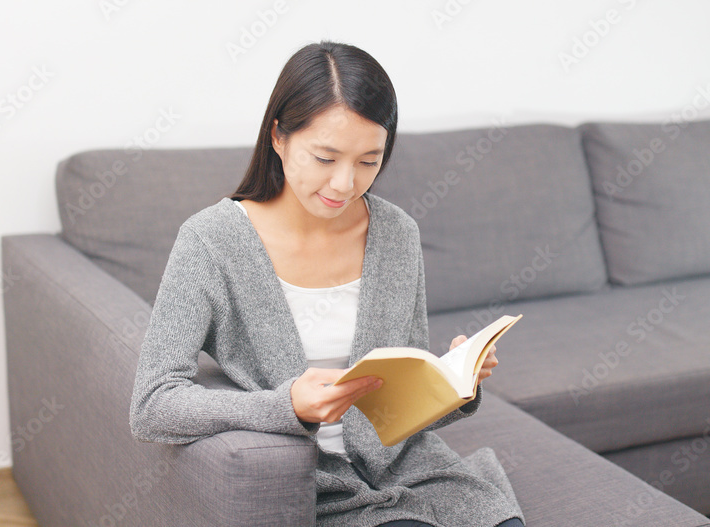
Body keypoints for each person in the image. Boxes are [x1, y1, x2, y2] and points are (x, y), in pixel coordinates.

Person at [130, 40, 525, 527]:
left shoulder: (397, 233)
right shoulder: (210, 242)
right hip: (315, 481)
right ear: (278, 137)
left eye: (368, 161)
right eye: (325, 157)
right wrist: (285, 405)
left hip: (413, 469)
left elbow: (400, 414)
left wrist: (456, 385)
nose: (345, 183)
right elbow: (152, 405)